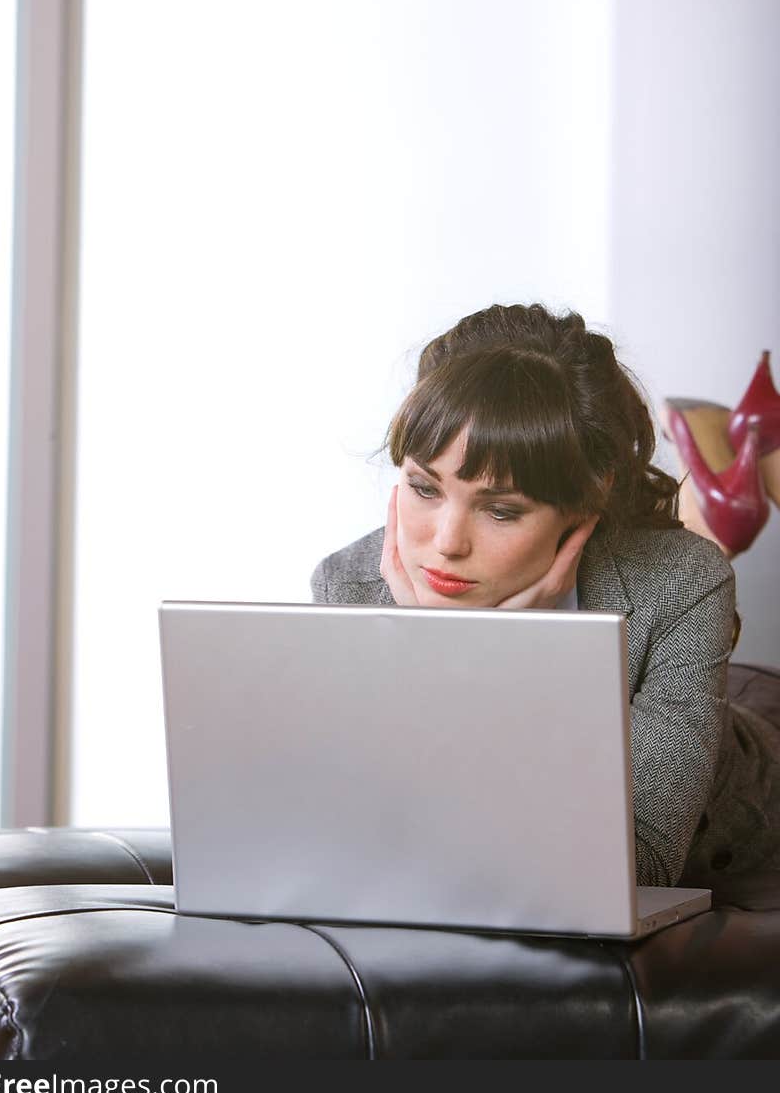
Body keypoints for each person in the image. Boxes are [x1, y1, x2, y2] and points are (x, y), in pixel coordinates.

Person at [310, 302, 780, 888]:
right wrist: (436, 651)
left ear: (586, 500)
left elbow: (641, 864)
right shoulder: (349, 585)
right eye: (423, 488)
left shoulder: (681, 583)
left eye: (502, 509)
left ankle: (730, 492)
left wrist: (518, 658)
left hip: (749, 782)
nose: (446, 544)